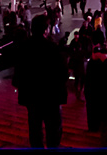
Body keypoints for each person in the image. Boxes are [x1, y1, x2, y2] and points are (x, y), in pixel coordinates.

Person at [13, 15, 69, 148]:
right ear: (46, 30)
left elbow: (19, 71)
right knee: (53, 128)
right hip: (51, 96)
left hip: (31, 96)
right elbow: (63, 74)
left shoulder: (24, 47)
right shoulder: (53, 48)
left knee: (34, 127)